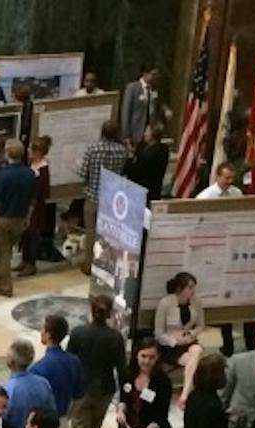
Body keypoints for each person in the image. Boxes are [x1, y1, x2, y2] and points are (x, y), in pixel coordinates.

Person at [66, 294, 127, 428]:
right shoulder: (115, 338)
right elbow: (121, 369)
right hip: (105, 390)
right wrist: (124, 398)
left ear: (90, 310)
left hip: (82, 389)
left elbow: (69, 362)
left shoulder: (78, 333)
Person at [77, 120, 127, 275]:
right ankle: (105, 266)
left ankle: (88, 266)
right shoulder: (122, 150)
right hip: (112, 199)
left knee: (91, 233)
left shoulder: (93, 149)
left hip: (93, 197)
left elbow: (83, 173)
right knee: (108, 236)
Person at [0, 140, 34, 298]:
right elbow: (31, 201)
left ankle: (6, 287)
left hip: (4, 219)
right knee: (8, 251)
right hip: (20, 219)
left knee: (4, 255)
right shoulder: (29, 173)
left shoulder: (4, 175)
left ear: (7, 154)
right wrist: (27, 218)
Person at [157, 272, 206, 401]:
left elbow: (201, 325)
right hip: (170, 345)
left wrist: (191, 334)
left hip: (189, 341)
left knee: (197, 351)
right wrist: (175, 341)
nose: (193, 291)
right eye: (190, 287)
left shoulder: (197, 302)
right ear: (180, 288)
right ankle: (187, 393)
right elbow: (158, 333)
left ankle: (184, 394)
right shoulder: (165, 303)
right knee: (193, 359)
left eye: (194, 287)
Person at [29, 315, 84, 417]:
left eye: (42, 329)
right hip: (62, 419)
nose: (41, 332)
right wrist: (68, 416)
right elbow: (79, 397)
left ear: (48, 334)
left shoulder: (38, 368)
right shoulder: (74, 361)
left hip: (42, 423)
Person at [3, 337, 52, 428]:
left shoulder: (9, 390)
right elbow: (51, 413)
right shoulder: (43, 383)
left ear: (11, 361)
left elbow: (2, 421)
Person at [20, 135, 53, 275]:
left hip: (36, 207)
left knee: (32, 234)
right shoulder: (31, 164)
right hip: (27, 203)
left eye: (31, 150)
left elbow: (44, 191)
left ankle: (31, 263)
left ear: (38, 152)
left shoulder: (43, 168)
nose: (28, 152)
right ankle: (24, 259)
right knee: (25, 233)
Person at [120, 63, 162, 147]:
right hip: (136, 131)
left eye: (156, 75)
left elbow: (157, 107)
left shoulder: (154, 89)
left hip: (150, 132)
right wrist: (126, 134)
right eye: (153, 74)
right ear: (145, 74)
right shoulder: (132, 88)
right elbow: (126, 111)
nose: (155, 77)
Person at [125, 123, 168, 200]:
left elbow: (135, 173)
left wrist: (130, 157)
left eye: (147, 131)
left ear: (153, 135)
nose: (144, 134)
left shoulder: (150, 155)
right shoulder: (163, 149)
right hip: (155, 192)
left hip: (144, 194)